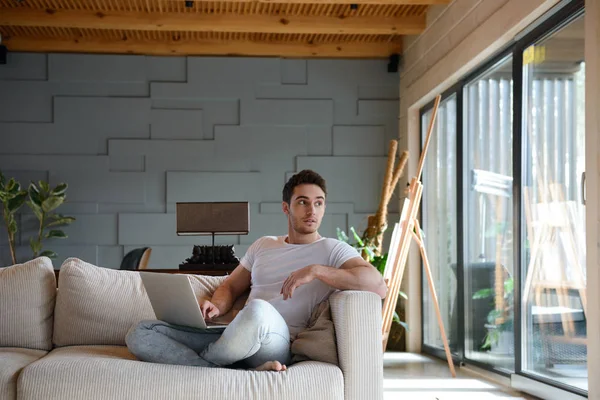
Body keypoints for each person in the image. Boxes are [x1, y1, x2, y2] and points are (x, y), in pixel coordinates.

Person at [125, 169, 387, 372]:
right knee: (141, 332)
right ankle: (225, 369)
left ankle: (209, 364)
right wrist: (217, 306)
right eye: (303, 202)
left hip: (276, 342)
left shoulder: (332, 250)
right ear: (286, 208)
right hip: (232, 333)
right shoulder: (264, 245)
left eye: (319, 203)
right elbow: (230, 286)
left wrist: (317, 270)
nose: (312, 210)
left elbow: (377, 285)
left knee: (259, 310)